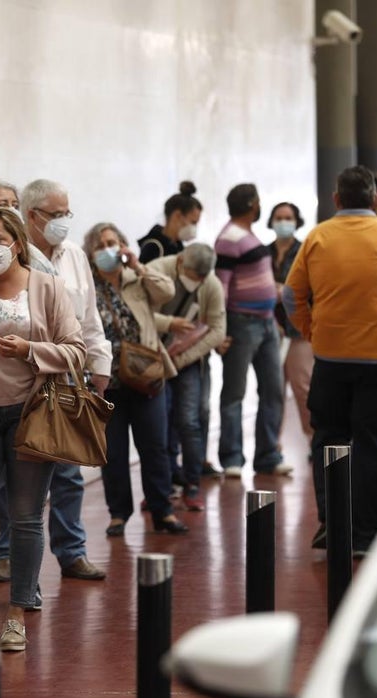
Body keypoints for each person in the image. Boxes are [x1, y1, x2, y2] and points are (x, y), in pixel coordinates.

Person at [0, 207, 86, 652]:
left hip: (31, 414)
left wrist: (31, 349)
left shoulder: (45, 286)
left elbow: (75, 349)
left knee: (27, 517)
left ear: (16, 242)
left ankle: (17, 613)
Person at [285, 166, 377, 556]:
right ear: (375, 200)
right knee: (372, 443)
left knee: (328, 437)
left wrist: (310, 328)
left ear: (336, 200)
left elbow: (289, 296)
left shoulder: (317, 236)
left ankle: (332, 524)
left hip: (330, 358)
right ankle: (365, 535)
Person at [86, 222, 189, 536]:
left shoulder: (135, 279)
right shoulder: (86, 287)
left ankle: (163, 511)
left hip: (146, 378)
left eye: (113, 242)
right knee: (113, 453)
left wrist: (138, 264)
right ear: (90, 252)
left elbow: (167, 291)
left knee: (154, 447)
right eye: (101, 245)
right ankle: (118, 514)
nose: (107, 249)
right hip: (108, 384)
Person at [214, 183, 292, 478]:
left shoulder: (247, 234)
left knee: (273, 389)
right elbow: (220, 286)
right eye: (258, 202)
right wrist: (220, 330)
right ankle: (232, 458)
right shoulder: (230, 238)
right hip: (242, 323)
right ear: (250, 205)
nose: (260, 207)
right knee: (235, 393)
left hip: (266, 321)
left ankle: (268, 455)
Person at [148, 243, 226, 512]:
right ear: (181, 262)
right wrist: (168, 325)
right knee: (159, 423)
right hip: (152, 358)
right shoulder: (157, 270)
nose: (197, 282)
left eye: (202, 277)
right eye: (193, 275)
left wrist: (179, 360)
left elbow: (217, 331)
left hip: (187, 361)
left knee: (189, 421)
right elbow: (138, 311)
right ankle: (163, 485)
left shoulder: (211, 285)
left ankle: (193, 482)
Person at [268, 202, 313, 448]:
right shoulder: (264, 252)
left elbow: (313, 288)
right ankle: (272, 445)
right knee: (272, 390)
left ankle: (313, 438)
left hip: (299, 331)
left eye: (288, 217)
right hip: (271, 327)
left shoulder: (305, 250)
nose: (283, 221)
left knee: (303, 387)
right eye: (279, 217)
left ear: (296, 221)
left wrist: (285, 291)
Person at [137, 181, 204, 263]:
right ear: (177, 216)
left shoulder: (178, 248)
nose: (194, 228)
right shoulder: (154, 248)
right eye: (193, 222)